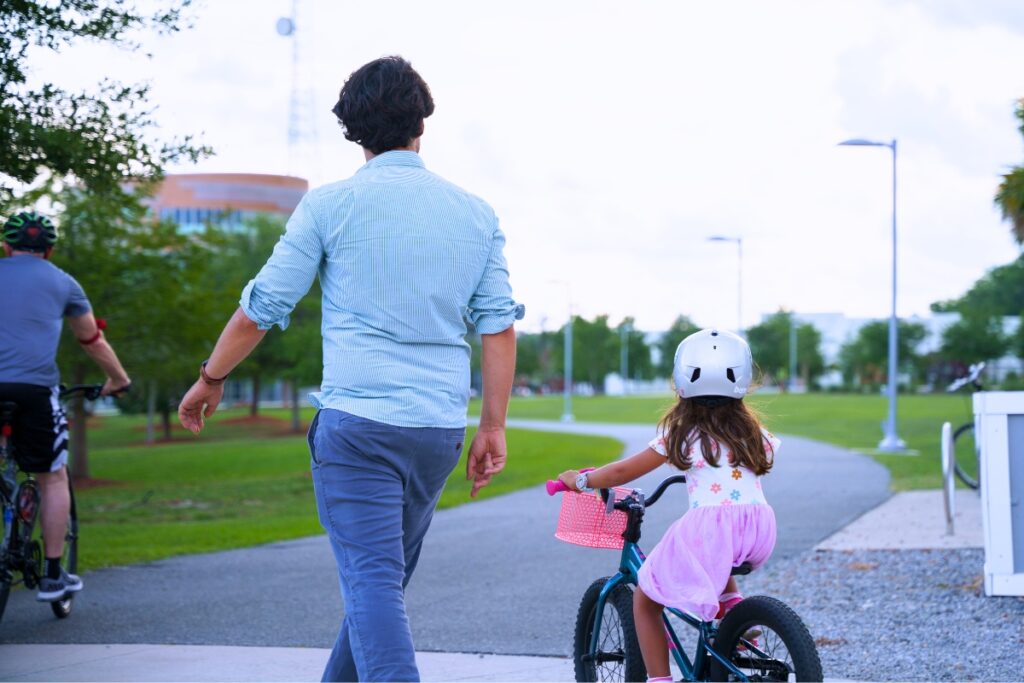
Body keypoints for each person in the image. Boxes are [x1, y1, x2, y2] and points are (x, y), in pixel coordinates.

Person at [177, 55, 523, 682]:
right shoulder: (475, 213)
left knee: (374, 588)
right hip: (435, 430)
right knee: (379, 589)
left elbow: (263, 308)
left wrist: (211, 378)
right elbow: (497, 326)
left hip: (358, 428)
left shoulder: (328, 207)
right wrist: (491, 426)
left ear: (353, 131)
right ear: (422, 122)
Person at [557, 328, 778, 683]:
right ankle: (738, 623)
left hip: (712, 529)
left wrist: (582, 480)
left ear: (681, 382)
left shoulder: (682, 435)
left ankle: (660, 680)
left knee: (645, 600)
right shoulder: (755, 433)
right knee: (718, 557)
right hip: (758, 530)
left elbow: (623, 471)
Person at [0, 211, 132, 601]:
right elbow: (92, 341)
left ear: (6, 247)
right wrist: (119, 380)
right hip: (35, 390)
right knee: (52, 476)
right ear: (50, 251)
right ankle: (54, 576)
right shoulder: (64, 283)